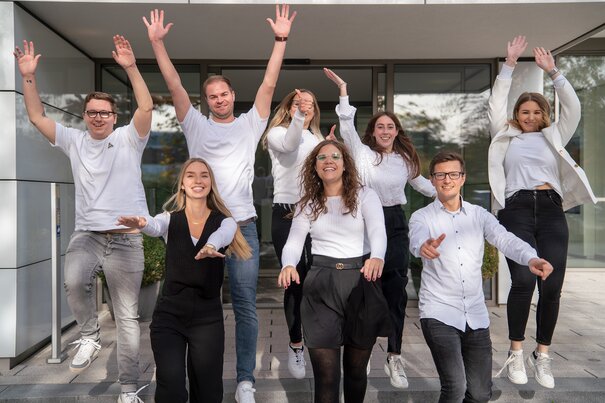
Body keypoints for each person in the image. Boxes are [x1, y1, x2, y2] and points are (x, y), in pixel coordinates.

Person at [143, 6, 296, 401]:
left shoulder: (249, 123)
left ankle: (245, 379)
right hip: (200, 225)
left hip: (241, 227)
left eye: (223, 93)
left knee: (245, 305)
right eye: (211, 95)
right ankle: (177, 367)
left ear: (232, 95)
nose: (218, 99)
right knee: (194, 298)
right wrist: (158, 45)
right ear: (206, 100)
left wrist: (280, 41)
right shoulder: (195, 124)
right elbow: (175, 85)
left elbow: (268, 83)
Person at [14, 37, 153, 403]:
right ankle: (89, 334)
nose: (96, 117)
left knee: (126, 318)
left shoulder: (129, 139)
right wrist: (28, 77)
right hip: (87, 234)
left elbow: (147, 104)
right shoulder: (74, 140)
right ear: (85, 116)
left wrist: (131, 67)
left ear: (113, 117)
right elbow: (36, 117)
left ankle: (127, 388)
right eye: (91, 112)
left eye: (103, 112)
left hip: (125, 239)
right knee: (74, 281)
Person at [488, 36, 597, 389]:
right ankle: (516, 350)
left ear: (543, 115)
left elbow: (574, 110)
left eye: (536, 112)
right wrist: (508, 65)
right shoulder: (504, 135)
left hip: (551, 210)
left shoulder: (555, 135)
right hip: (516, 209)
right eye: (525, 112)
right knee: (522, 282)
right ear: (516, 115)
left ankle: (543, 354)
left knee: (551, 287)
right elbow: (495, 104)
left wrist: (554, 73)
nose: (531, 117)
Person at [409, 151, 554, 403]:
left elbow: (505, 239)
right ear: (432, 180)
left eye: (453, 174)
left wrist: (531, 258)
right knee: (454, 388)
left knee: (479, 394)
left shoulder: (479, 215)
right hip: (438, 311)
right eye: (440, 175)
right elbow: (416, 239)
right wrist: (423, 246)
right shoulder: (421, 217)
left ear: (462, 178)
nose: (447, 180)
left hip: (475, 314)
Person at [324, 68, 435, 388]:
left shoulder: (405, 160)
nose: (386, 130)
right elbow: (346, 124)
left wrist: (450, 191)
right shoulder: (361, 153)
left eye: (391, 126)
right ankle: (361, 353)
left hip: (395, 223)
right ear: (373, 131)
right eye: (380, 126)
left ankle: (394, 356)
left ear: (397, 132)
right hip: (363, 224)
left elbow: (426, 186)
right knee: (361, 291)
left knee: (396, 291)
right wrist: (343, 89)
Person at [117, 158, 251, 403]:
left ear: (211, 183)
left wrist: (211, 245)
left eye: (204, 175)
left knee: (209, 391)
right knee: (171, 389)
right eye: (191, 175)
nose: (197, 180)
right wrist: (143, 223)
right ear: (182, 184)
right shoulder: (170, 219)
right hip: (170, 315)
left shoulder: (225, 221)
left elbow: (224, 234)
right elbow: (155, 226)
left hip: (207, 317)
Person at [278, 140, 390, 403]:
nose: (329, 160)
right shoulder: (307, 203)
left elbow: (377, 232)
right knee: (326, 377)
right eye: (322, 157)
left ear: (345, 163)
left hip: (361, 280)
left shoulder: (366, 195)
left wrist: (377, 257)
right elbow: (294, 241)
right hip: (320, 284)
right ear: (314, 167)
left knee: (355, 371)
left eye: (335, 156)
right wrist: (288, 264)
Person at [261, 88, 323, 379]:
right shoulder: (277, 132)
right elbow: (290, 144)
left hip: (318, 213)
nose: (304, 107)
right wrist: (299, 115)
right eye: (299, 103)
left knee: (320, 277)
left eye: (309, 104)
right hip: (287, 212)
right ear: (288, 107)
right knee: (295, 281)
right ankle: (296, 344)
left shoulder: (318, 138)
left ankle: (319, 337)